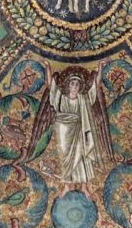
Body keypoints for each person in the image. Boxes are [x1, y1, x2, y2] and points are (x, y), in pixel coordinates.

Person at [24, 62, 114, 199]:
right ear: (68, 85)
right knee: (65, 158)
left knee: (82, 157)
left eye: (77, 84)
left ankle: (84, 187)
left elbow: (95, 87)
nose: (75, 86)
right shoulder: (61, 98)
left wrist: (100, 68)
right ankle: (67, 185)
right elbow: (51, 86)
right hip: (64, 131)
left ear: (80, 86)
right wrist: (48, 67)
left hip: (79, 129)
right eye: (72, 84)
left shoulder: (83, 99)